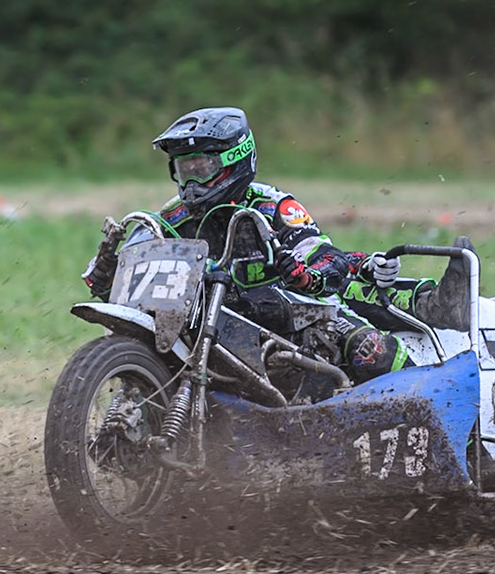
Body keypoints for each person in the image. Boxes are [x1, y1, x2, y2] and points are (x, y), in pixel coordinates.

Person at [82, 107, 471, 384]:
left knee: (368, 348)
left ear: (234, 161)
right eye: (184, 170)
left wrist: (303, 274)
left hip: (294, 328)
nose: (192, 183)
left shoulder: (273, 207)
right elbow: (130, 292)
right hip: (209, 332)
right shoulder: (171, 218)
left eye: (202, 167)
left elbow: (325, 261)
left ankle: (435, 399)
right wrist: (107, 276)